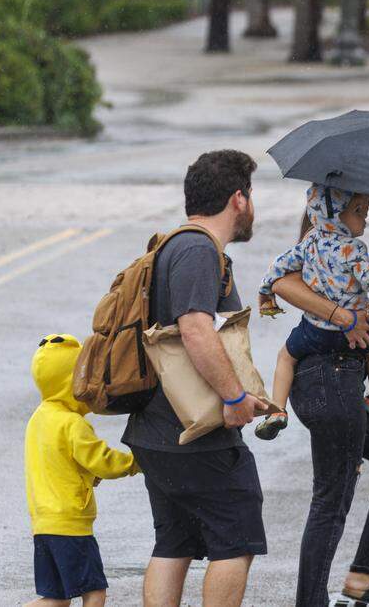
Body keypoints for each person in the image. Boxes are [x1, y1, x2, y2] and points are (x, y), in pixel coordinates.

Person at [120, 150, 273, 607]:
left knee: (176, 542)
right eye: (251, 195)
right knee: (237, 538)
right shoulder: (197, 251)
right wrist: (234, 397)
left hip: (160, 431)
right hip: (194, 431)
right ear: (238, 200)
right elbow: (194, 328)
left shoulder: (176, 246)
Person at [268, 204, 369, 607]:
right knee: (332, 498)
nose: (367, 214)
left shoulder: (336, 264)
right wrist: (345, 313)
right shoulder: (309, 255)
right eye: (359, 207)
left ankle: (365, 575)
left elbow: (355, 327)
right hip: (328, 379)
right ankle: (316, 600)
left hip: (336, 378)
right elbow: (282, 287)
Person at [254, 185, 369, 441]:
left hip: (313, 332)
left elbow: (276, 269)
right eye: (361, 210)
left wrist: (264, 292)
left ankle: (277, 411)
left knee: (285, 357)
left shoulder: (311, 244)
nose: (367, 215)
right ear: (343, 213)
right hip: (345, 346)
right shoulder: (353, 248)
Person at [24, 334, 140, 607]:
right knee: (94, 593)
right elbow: (101, 460)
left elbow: (58, 461)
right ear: (71, 382)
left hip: (44, 523)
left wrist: (88, 475)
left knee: (56, 599)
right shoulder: (72, 424)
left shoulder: (39, 418)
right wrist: (137, 462)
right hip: (71, 525)